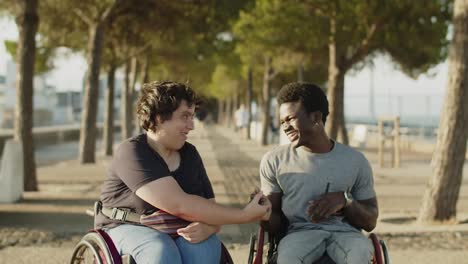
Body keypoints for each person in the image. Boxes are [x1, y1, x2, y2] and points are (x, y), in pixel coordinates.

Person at [95, 81, 271, 264]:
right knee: (160, 249)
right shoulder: (132, 152)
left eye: (192, 117)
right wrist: (245, 215)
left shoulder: (190, 154)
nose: (192, 125)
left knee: (204, 248)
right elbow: (180, 205)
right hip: (127, 225)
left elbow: (211, 208)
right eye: (185, 116)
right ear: (158, 118)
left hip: (178, 228)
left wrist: (210, 227)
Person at [259, 82, 378, 264]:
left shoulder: (356, 161)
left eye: (290, 119)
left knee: (359, 256)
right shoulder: (274, 160)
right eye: (282, 121)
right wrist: (263, 213)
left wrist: (345, 202)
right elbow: (273, 224)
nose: (285, 127)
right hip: (300, 234)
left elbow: (370, 222)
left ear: (316, 117)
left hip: (347, 236)